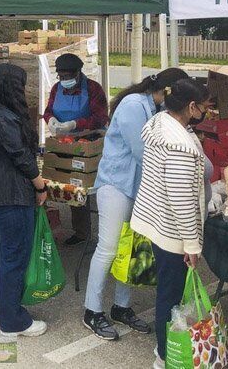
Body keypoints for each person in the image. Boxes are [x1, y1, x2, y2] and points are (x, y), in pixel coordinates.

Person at [82, 67, 188, 340]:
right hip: (116, 186)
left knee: (129, 249)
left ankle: (121, 306)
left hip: (139, 188)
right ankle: (92, 311)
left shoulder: (155, 109)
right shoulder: (133, 105)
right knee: (107, 248)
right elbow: (144, 151)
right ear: (166, 91)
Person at [130, 78, 212, 367]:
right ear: (190, 107)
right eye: (203, 108)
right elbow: (181, 199)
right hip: (171, 230)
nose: (205, 113)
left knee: (168, 290)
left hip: (156, 220)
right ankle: (165, 355)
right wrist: (191, 244)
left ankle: (163, 349)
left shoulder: (160, 122)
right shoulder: (179, 145)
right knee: (171, 295)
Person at [0, 63, 48, 338]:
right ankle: (13, 320)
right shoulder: (4, 117)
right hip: (13, 194)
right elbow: (21, 157)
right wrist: (40, 185)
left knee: (0, 253)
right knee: (14, 256)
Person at [43, 53, 109, 246]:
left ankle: (82, 232)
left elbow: (100, 118)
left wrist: (75, 124)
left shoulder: (94, 89)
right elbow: (48, 111)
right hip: (62, 142)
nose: (64, 80)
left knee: (80, 185)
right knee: (60, 183)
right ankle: (52, 225)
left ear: (78, 73)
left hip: (87, 144)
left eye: (67, 76)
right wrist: (51, 120)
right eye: (61, 77)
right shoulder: (57, 89)